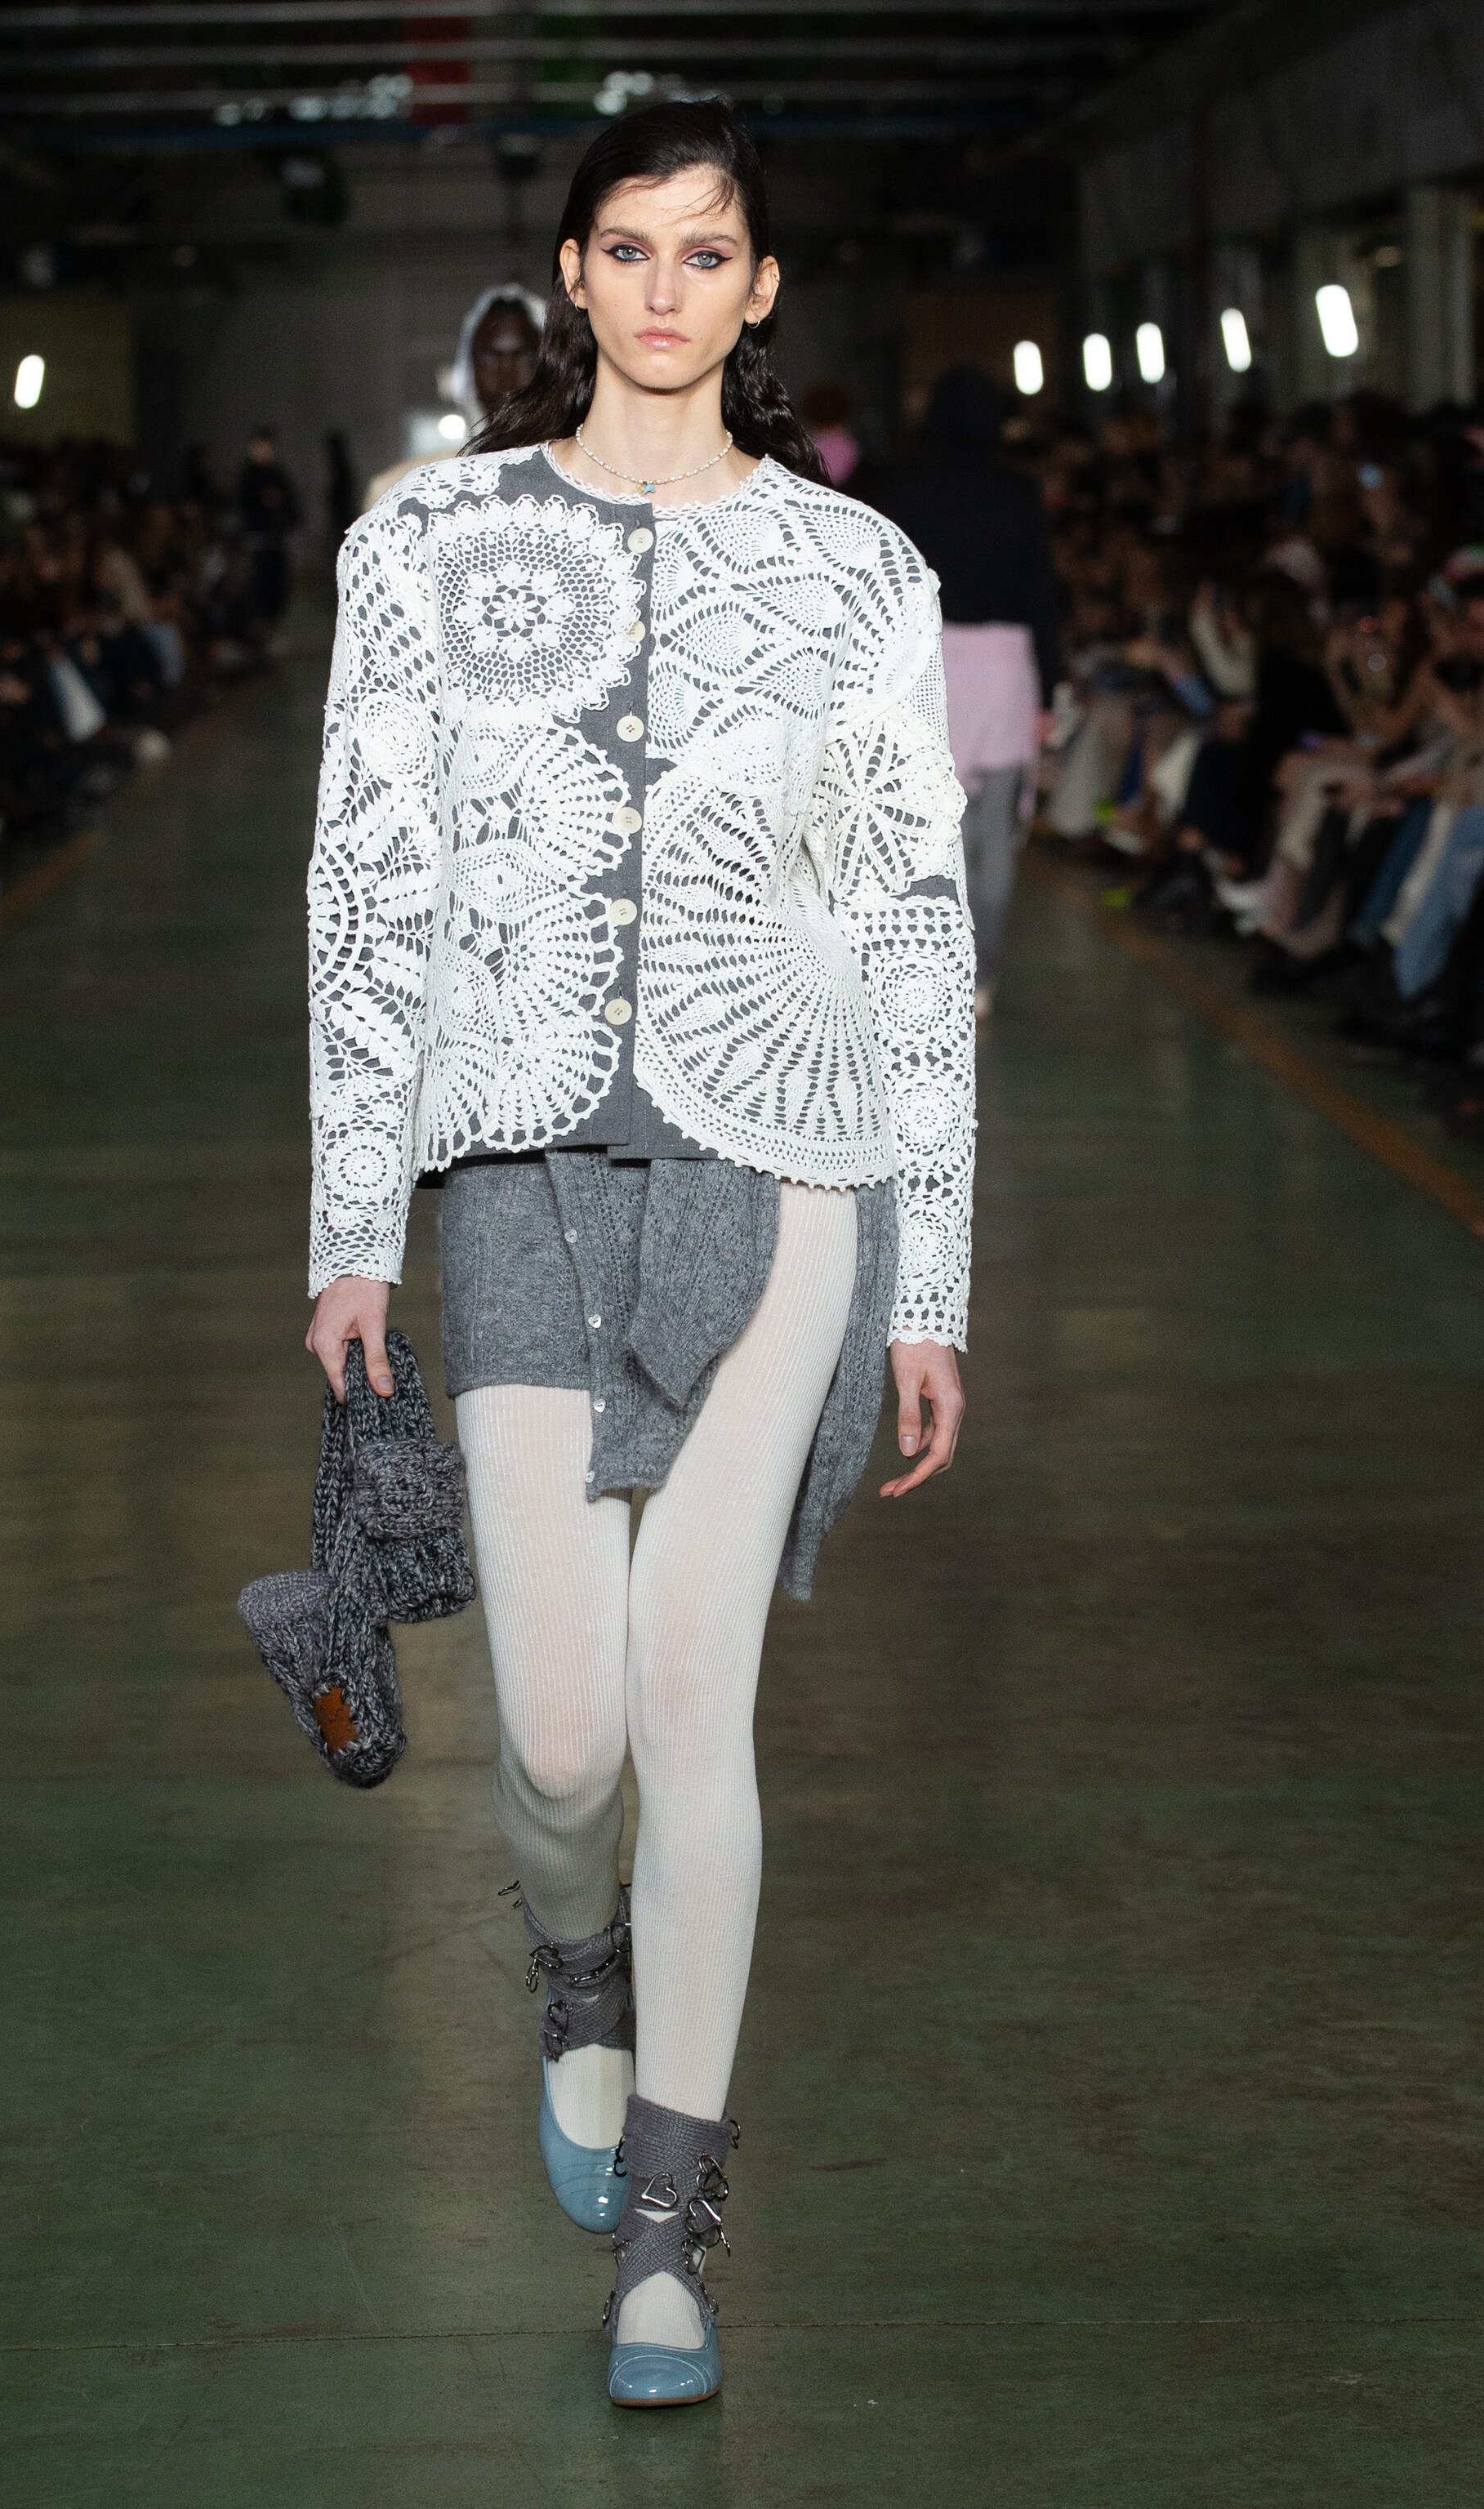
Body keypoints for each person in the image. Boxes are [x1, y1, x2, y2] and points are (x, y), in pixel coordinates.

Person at [303, 100, 974, 2410]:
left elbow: (914, 927)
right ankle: (571, 1964)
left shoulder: (858, 570)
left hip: (781, 1173)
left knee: (695, 1712)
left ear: (759, 285)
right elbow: (367, 882)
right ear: (572, 274)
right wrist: (349, 1220)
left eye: (709, 250)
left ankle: (671, 2235)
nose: (669, 287)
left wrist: (933, 1275)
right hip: (513, 1176)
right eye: (629, 246)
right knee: (563, 1737)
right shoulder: (428, 542)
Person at [866, 364, 1062, 1015]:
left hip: (925, 664)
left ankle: (924, 967)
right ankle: (981, 978)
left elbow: (883, 590)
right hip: (1005, 667)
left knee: (919, 828)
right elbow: (1043, 596)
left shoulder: (902, 489)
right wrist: (1050, 691)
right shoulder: (1019, 492)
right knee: (993, 835)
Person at [363, 283, 546, 510]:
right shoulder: (401, 491)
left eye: (525, 356)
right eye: (490, 357)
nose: (507, 374)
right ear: (468, 369)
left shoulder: (578, 477)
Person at [236, 426, 301, 629]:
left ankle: (272, 624)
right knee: (259, 584)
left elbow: (291, 504)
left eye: (268, 447)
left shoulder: (277, 475)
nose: (265, 452)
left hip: (276, 538)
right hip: (257, 539)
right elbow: (243, 505)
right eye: (261, 447)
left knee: (277, 584)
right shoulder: (249, 477)